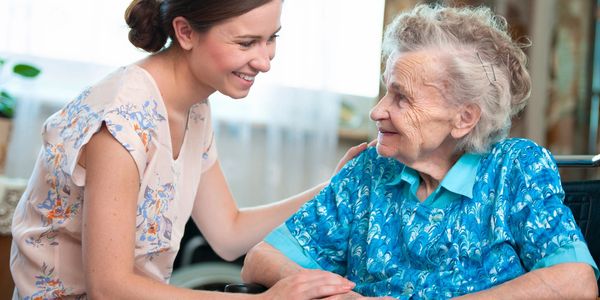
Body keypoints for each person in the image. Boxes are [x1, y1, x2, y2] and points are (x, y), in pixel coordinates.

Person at [241, 4, 600, 299]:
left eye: (402, 97)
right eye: (386, 91)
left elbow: (575, 280)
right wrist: (333, 293)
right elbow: (261, 259)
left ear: (463, 118)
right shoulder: (370, 170)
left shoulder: (515, 169)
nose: (377, 111)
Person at [9, 0, 363, 299]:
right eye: (246, 43)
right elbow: (109, 287)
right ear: (186, 32)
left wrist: (334, 187)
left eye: (272, 39)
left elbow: (229, 233)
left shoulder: (193, 108)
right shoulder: (122, 120)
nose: (265, 61)